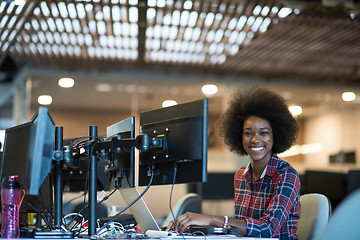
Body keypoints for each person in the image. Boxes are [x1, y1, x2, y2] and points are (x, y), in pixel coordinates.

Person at [166, 87, 301, 239]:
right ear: (239, 136)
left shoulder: (286, 175)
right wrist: (198, 224)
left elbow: (267, 230)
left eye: (264, 133)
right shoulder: (240, 176)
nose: (255, 139)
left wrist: (212, 219)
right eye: (248, 133)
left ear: (276, 135)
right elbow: (241, 228)